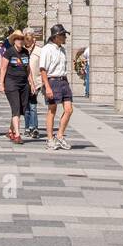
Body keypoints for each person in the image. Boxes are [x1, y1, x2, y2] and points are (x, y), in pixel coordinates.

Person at [40, 23, 73, 151]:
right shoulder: (47, 49)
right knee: (52, 110)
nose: (65, 37)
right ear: (56, 36)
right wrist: (47, 87)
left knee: (69, 109)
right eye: (63, 35)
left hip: (63, 81)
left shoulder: (62, 49)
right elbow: (43, 69)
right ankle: (49, 139)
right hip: (52, 81)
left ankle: (59, 135)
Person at [0, 30, 30, 144]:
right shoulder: (9, 52)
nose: (20, 41)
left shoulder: (26, 52)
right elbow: (3, 69)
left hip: (24, 83)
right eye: (18, 39)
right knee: (16, 107)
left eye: (22, 39)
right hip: (11, 83)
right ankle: (17, 135)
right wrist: (1, 84)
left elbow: (28, 69)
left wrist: (31, 82)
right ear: (14, 40)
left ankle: (10, 130)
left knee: (21, 109)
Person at [24, 29, 41, 138]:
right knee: (26, 106)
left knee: (33, 106)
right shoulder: (21, 50)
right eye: (26, 39)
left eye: (29, 39)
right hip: (24, 83)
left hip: (36, 82)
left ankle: (34, 128)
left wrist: (42, 82)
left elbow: (43, 67)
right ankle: (27, 127)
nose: (28, 41)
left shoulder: (39, 51)